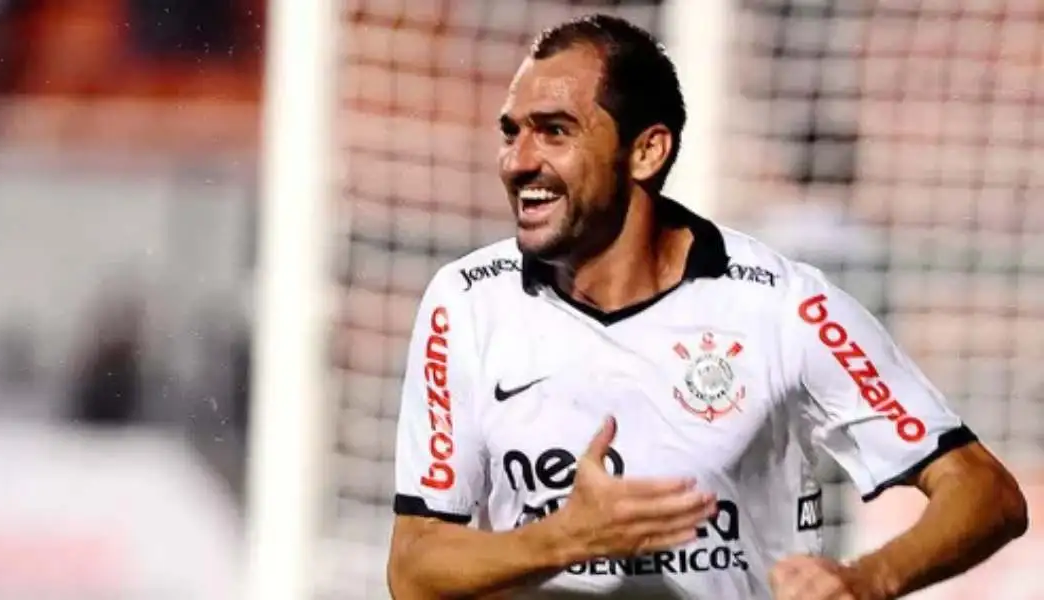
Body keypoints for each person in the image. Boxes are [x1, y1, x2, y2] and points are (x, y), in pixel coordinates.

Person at [385, 13, 1027, 600]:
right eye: (511, 132)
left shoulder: (783, 307)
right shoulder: (465, 303)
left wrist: (867, 579)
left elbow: (985, 491)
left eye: (554, 131)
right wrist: (566, 539)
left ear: (646, 151)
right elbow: (413, 568)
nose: (518, 161)